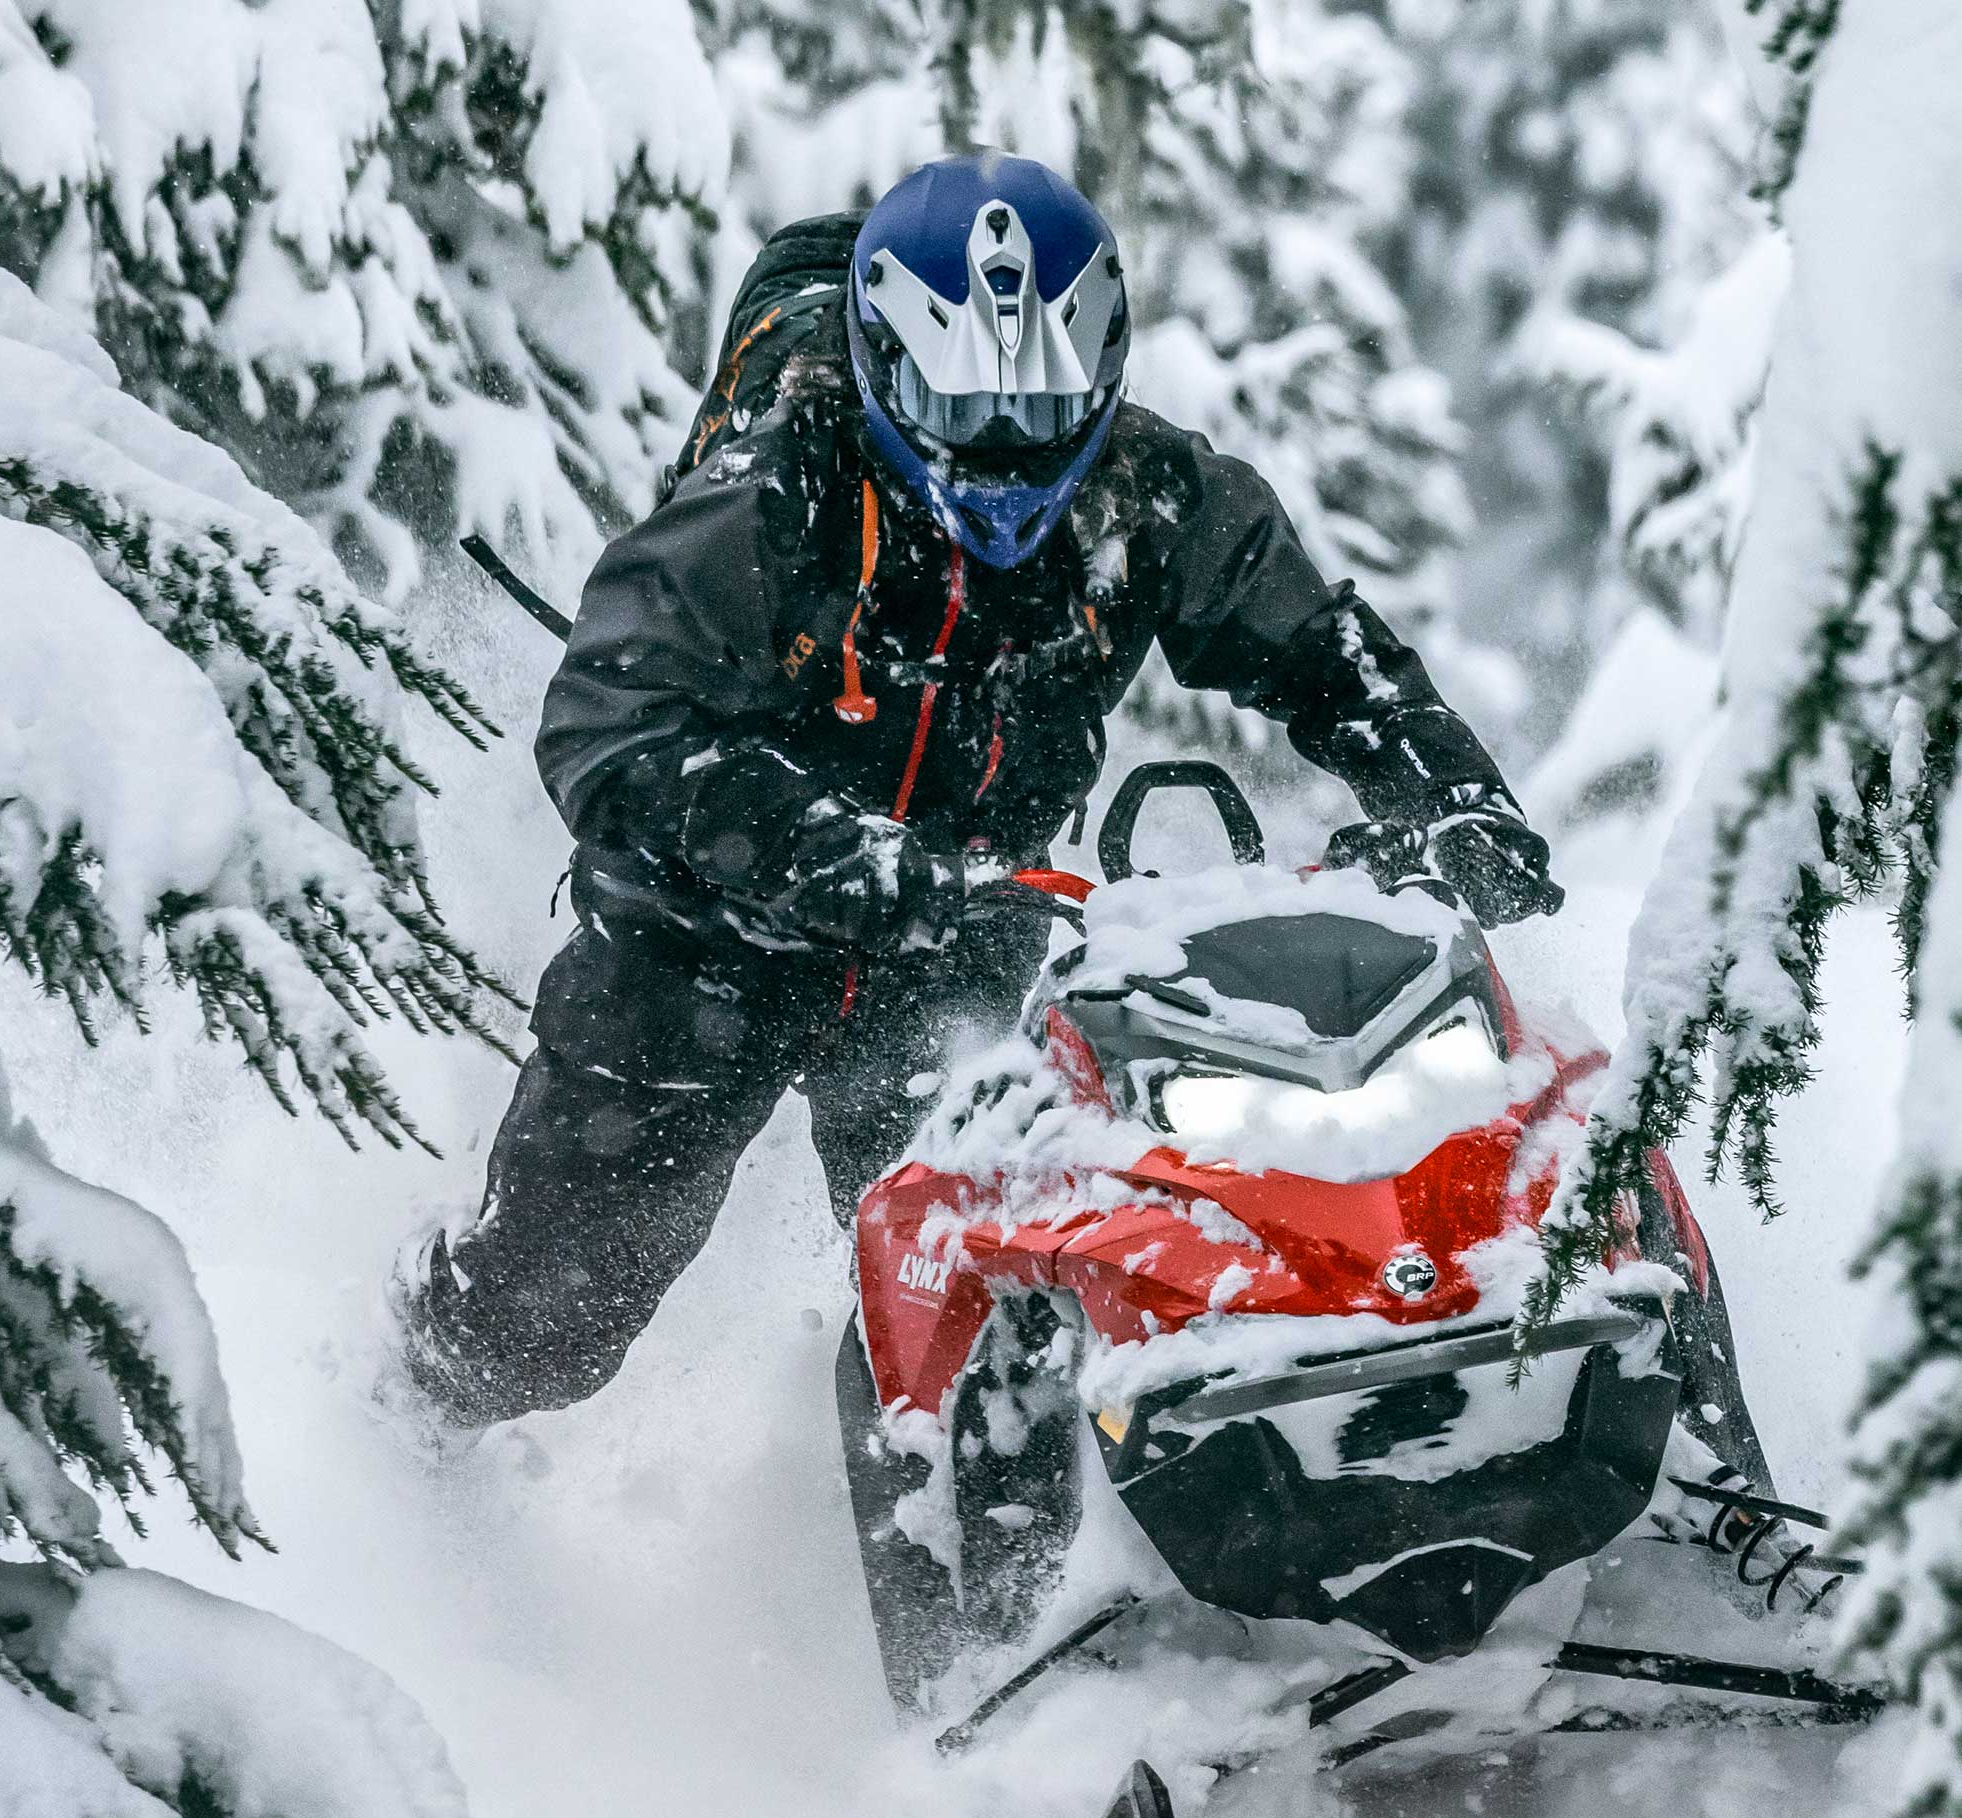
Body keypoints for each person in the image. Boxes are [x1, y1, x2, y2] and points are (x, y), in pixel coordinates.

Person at [394, 153, 1557, 1697]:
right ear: (882, 370)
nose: (1005, 456)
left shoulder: (1152, 491)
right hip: (700, 944)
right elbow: (609, 726)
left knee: (997, 1286)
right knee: (552, 1327)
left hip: (956, 953)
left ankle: (1002, 1688)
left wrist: (1452, 798)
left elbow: (1324, 651)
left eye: (1043, 409)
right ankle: (402, 1412)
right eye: (964, 412)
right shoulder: (777, 483)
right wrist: (831, 859)